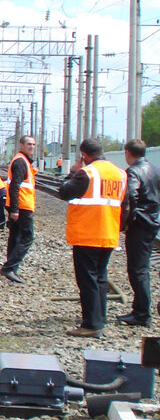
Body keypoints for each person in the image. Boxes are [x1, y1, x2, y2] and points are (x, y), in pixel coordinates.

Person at [60, 138, 126, 337]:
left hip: (88, 233)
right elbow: (126, 204)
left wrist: (72, 172)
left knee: (87, 279)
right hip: (109, 232)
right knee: (100, 276)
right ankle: (100, 317)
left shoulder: (86, 173)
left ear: (84, 156)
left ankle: (91, 324)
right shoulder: (120, 173)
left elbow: (64, 192)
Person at [116, 139, 160, 326]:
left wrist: (125, 223)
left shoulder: (133, 172)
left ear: (127, 152)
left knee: (137, 270)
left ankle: (142, 313)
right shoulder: (154, 169)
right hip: (152, 222)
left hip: (140, 224)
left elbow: (130, 198)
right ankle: (141, 310)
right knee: (141, 269)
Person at [0, 135, 37, 283]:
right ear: (21, 145)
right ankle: (9, 268)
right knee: (27, 237)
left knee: (15, 236)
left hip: (20, 204)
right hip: (22, 205)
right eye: (29, 144)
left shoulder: (22, 161)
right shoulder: (21, 162)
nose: (32, 147)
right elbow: (15, 186)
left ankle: (12, 269)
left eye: (34, 144)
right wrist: (15, 209)